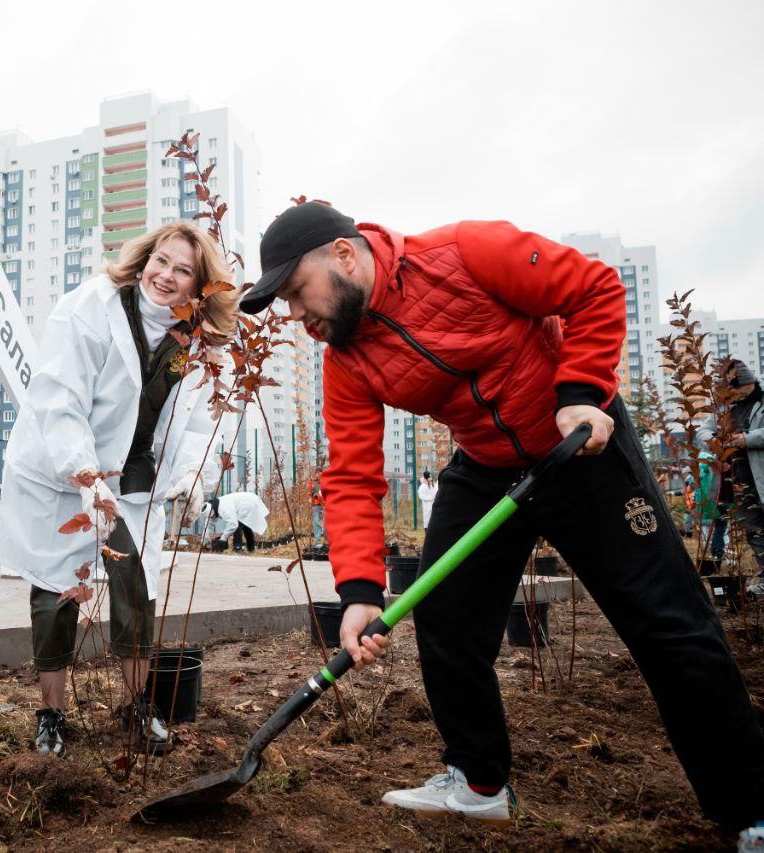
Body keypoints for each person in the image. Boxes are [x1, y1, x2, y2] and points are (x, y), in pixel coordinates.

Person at [241, 202, 764, 834]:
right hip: (487, 465)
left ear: (345, 257)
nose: (296, 317)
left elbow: (595, 290)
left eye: (297, 293)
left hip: (580, 444)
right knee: (447, 618)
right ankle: (479, 781)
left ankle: (749, 812)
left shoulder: (466, 253)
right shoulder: (346, 359)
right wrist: (357, 592)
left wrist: (578, 394)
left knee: (668, 625)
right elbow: (352, 475)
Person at [0, 222, 234, 758]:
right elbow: (61, 401)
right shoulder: (92, 309)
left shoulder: (200, 340)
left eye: (183, 270)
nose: (166, 277)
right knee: (58, 589)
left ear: (200, 286)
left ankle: (134, 708)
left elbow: (204, 422)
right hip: (63, 471)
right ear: (143, 259)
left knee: (135, 588)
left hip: (136, 478)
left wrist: (197, 475)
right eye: (161, 261)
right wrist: (85, 478)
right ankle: (51, 715)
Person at [725, 360, 764, 595]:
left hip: (761, 476)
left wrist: (746, 439)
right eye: (732, 386)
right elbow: (704, 430)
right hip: (740, 481)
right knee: (754, 531)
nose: (736, 390)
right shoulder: (727, 408)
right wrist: (716, 440)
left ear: (750, 383)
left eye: (739, 385)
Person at [204, 491, 269, 552]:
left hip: (247, 502)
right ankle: (251, 549)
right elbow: (207, 527)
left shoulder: (223, 508)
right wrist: (203, 542)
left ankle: (237, 548)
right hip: (249, 500)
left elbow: (233, 525)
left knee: (238, 524)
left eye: (212, 516)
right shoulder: (211, 508)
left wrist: (223, 538)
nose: (212, 518)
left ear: (213, 512)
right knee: (246, 525)